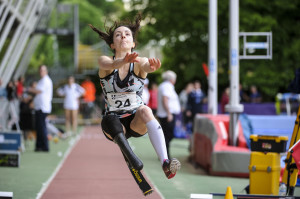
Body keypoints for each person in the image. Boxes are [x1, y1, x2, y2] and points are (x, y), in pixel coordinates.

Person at [89, 13, 180, 179]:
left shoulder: (140, 62)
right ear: (112, 45)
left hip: (136, 121)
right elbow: (110, 64)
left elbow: (146, 65)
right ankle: (131, 156)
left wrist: (151, 68)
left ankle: (165, 163)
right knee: (109, 119)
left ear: (133, 43)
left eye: (127, 34)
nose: (123, 35)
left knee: (145, 110)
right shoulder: (105, 61)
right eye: (118, 34)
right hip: (114, 126)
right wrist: (123, 61)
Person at [28, 65, 53, 152]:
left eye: (42, 70)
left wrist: (29, 89)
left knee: (42, 127)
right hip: (39, 107)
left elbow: (38, 91)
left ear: (46, 71)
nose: (41, 72)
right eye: (40, 70)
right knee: (39, 127)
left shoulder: (46, 80)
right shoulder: (42, 80)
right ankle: (39, 145)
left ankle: (45, 146)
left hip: (43, 107)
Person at [157, 70, 181, 158]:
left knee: (167, 135)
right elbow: (165, 99)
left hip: (166, 114)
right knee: (168, 135)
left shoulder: (164, 86)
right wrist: (169, 113)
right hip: (167, 115)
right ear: (172, 79)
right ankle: (165, 155)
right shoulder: (167, 86)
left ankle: (164, 154)